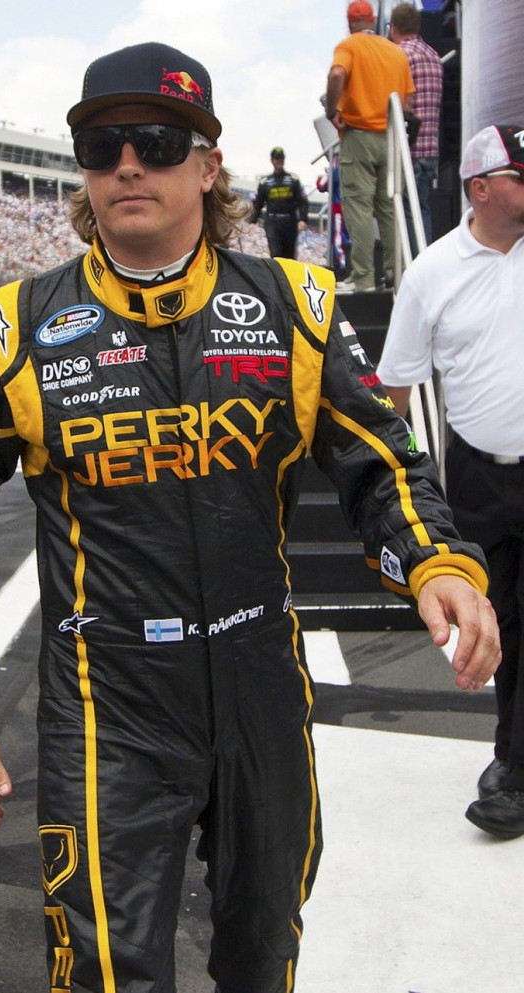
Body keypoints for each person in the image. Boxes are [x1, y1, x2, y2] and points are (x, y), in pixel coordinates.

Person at [0, 42, 500, 992]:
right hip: (110, 697)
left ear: (208, 163)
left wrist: (437, 563)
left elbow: (381, 462)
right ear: (84, 171)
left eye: (157, 139)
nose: (129, 164)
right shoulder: (12, 326)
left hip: (262, 678)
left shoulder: (294, 307)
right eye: (102, 147)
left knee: (265, 949)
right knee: (107, 970)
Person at [377, 122, 524, 841]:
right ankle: (512, 752)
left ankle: (513, 771)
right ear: (481, 187)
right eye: (522, 176)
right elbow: (396, 393)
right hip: (474, 473)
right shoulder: (432, 272)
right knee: (501, 622)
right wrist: (397, 488)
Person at [325, 0, 415, 292]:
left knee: (359, 206)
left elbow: (337, 74)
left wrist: (331, 109)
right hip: (391, 137)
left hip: (359, 135)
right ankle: (395, 273)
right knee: (390, 206)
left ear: (350, 23)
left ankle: (362, 278)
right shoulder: (396, 52)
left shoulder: (348, 46)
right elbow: (408, 101)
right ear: (374, 20)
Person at [389, 2, 444, 253]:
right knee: (423, 209)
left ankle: (415, 264)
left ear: (393, 28)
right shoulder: (434, 56)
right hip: (430, 146)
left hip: (408, 148)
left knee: (406, 212)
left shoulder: (399, 56)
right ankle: (426, 258)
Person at [248, 147, 308, 258]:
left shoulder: (293, 179)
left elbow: (302, 201)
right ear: (272, 160)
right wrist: (252, 220)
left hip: (290, 221)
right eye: (276, 159)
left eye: (281, 158)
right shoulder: (265, 182)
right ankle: (277, 275)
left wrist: (302, 219)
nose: (279, 161)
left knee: (289, 256)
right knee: (275, 255)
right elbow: (258, 203)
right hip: (272, 222)